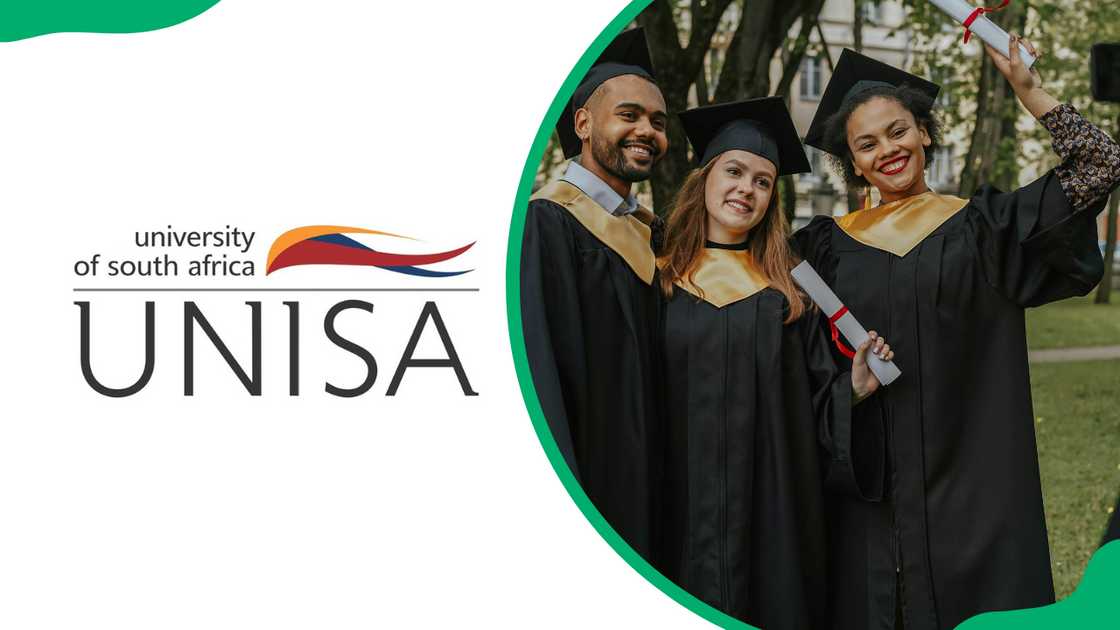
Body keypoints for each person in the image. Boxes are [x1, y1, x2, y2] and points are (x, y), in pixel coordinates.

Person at [794, 44, 1120, 630]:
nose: (887, 150)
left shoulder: (983, 227)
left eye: (898, 132)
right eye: (866, 145)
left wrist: (1030, 90)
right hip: (868, 486)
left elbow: (1101, 163)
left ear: (923, 133)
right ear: (854, 163)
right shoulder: (823, 248)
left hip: (974, 483)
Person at [658, 96, 893, 629]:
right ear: (704, 180)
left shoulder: (789, 298)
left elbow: (813, 405)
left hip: (772, 512)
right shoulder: (659, 281)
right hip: (678, 504)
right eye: (734, 172)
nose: (746, 188)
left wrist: (850, 388)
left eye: (763, 181)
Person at [519, 27, 668, 560]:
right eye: (628, 115)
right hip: (593, 489)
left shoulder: (649, 235)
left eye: (656, 121)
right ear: (582, 123)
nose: (646, 130)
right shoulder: (547, 224)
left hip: (652, 489)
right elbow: (539, 382)